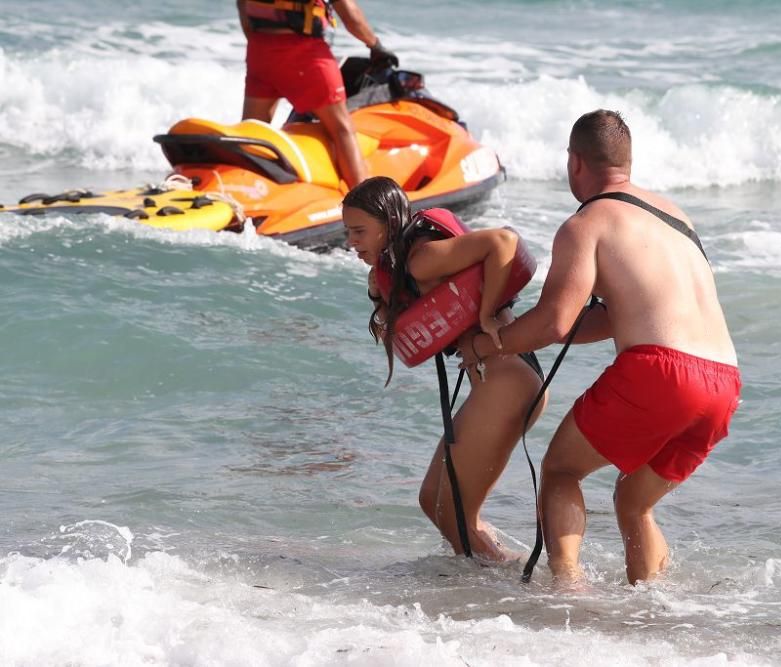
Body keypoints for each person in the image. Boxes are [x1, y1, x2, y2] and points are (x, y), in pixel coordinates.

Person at [457, 110, 741, 585]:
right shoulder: (675, 215)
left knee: (561, 470)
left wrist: (490, 343)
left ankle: (568, 590)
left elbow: (555, 320)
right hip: (724, 380)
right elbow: (609, 317)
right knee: (634, 501)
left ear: (575, 163)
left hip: (661, 372)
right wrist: (519, 332)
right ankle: (651, 609)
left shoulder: (587, 222)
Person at [342, 176, 548, 562]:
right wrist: (377, 290)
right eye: (348, 233)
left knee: (453, 513)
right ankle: (500, 579)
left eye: (359, 231)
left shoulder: (421, 259)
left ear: (388, 224)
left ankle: (508, 592)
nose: (351, 242)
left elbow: (501, 242)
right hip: (500, 382)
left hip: (507, 381)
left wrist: (486, 314)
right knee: (433, 501)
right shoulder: (402, 264)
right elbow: (397, 326)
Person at [236, 0, 398, 188]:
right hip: (305, 54)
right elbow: (351, 17)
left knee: (252, 130)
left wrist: (261, 43)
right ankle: (366, 205)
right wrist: (376, 46)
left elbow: (243, 7)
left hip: (260, 50)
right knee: (342, 130)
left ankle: (240, 189)